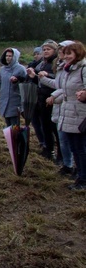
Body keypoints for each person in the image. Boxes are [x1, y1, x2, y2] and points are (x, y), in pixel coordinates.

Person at [38, 41, 86, 190]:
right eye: (64, 54)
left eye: (69, 54)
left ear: (78, 54)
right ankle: (79, 175)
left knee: (80, 148)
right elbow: (64, 90)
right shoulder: (68, 69)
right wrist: (54, 97)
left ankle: (84, 180)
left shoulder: (83, 68)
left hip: (80, 114)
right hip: (68, 112)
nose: (65, 57)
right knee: (74, 147)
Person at [44, 41, 76, 176]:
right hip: (61, 109)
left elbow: (69, 90)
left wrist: (54, 97)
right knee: (62, 140)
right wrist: (42, 79)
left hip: (73, 110)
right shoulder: (62, 67)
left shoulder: (77, 69)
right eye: (62, 50)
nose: (63, 53)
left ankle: (76, 168)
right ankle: (67, 165)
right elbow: (59, 85)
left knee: (74, 143)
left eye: (67, 51)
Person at [26, 40, 60, 161]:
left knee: (55, 128)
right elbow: (38, 81)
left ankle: (60, 153)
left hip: (54, 98)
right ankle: (48, 149)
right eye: (44, 49)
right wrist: (33, 75)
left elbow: (59, 80)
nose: (45, 51)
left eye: (48, 49)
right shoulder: (41, 63)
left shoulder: (57, 63)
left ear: (54, 50)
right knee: (45, 126)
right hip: (41, 98)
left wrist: (48, 76)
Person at [0, 48, 26, 127]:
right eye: (6, 56)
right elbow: (0, 84)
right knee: (8, 124)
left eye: (10, 56)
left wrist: (16, 81)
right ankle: (10, 139)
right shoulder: (2, 69)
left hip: (15, 100)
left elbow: (25, 84)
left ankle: (16, 139)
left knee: (15, 126)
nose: (8, 58)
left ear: (15, 57)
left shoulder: (21, 69)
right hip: (4, 100)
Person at [28, 46, 46, 150]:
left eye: (38, 53)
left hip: (42, 97)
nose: (36, 56)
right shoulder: (31, 65)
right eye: (34, 54)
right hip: (32, 96)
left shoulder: (45, 66)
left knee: (43, 122)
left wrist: (34, 76)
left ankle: (47, 142)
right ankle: (41, 141)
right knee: (35, 121)